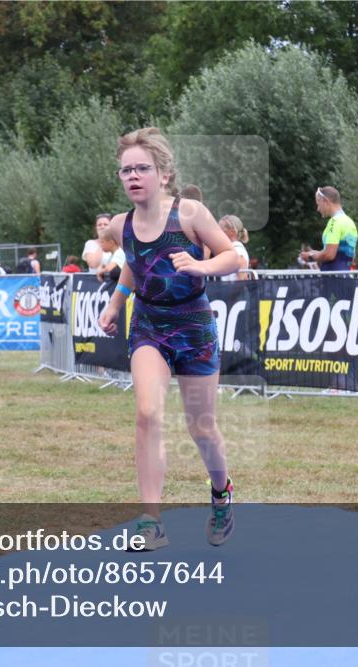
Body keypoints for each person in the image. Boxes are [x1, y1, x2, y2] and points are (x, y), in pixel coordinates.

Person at [97, 127, 240, 551]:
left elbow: (232, 255)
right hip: (149, 327)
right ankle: (151, 520)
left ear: (163, 174)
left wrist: (201, 268)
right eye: (126, 170)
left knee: (202, 427)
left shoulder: (190, 213)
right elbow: (136, 267)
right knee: (146, 414)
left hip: (193, 326)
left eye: (142, 168)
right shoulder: (121, 225)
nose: (133, 176)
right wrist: (115, 305)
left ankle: (220, 493)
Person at [301, 186, 358, 271]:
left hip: (333, 277)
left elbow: (329, 254)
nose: (318, 209)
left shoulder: (334, 222)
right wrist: (313, 252)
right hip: (345, 274)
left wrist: (310, 257)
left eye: (319, 204)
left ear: (326, 201)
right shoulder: (349, 222)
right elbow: (338, 252)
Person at [218, 215, 250, 281]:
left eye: (220, 230)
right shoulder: (233, 250)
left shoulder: (238, 251)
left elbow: (240, 283)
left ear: (232, 232)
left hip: (229, 290)